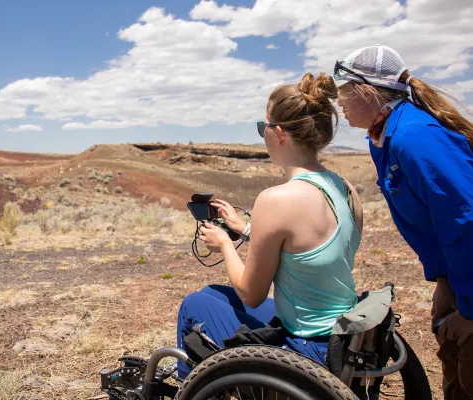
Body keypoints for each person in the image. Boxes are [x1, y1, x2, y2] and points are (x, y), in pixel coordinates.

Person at [176, 73, 364, 379]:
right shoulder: (346, 189)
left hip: (307, 347)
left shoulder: (276, 199)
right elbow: (310, 252)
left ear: (278, 134)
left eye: (261, 127)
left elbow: (252, 294)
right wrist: (248, 231)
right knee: (213, 293)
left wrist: (225, 243)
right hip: (341, 335)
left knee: (193, 305)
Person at [332, 44, 473, 399]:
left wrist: (469, 310)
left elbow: (466, 221)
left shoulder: (415, 138)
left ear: (366, 92)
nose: (340, 103)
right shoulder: (386, 136)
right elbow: (439, 222)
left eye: (344, 93)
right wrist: (444, 283)